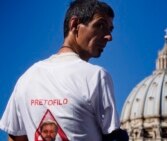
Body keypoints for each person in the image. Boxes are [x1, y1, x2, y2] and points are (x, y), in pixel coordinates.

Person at [0, 0, 128, 141]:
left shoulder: (26, 79)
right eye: (100, 25)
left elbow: (14, 138)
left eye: (110, 30)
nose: (108, 36)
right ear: (74, 25)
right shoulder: (97, 76)